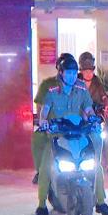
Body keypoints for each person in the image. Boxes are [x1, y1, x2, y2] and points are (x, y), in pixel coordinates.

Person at [30, 55, 108, 215]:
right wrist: (44, 121)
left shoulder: (81, 89)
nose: (72, 76)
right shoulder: (52, 92)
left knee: (95, 164)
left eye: (74, 73)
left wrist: (93, 119)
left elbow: (88, 108)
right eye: (68, 73)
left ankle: (101, 201)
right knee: (46, 166)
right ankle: (41, 205)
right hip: (58, 133)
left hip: (78, 132)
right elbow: (44, 111)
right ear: (61, 73)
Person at [30, 53, 70, 184]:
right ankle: (40, 171)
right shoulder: (47, 84)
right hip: (53, 126)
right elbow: (40, 105)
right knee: (38, 138)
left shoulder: (78, 84)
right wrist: (43, 123)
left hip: (75, 125)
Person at [78, 52, 108, 174]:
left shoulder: (97, 81)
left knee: (104, 137)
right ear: (81, 70)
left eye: (90, 70)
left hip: (95, 116)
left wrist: (106, 106)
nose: (88, 73)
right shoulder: (76, 81)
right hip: (80, 117)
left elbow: (104, 96)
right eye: (85, 71)